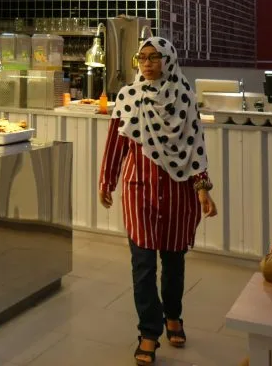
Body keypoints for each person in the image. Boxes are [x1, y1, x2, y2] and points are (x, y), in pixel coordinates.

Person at [99, 37, 218, 366]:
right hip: (140, 191)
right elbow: (115, 144)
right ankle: (148, 332)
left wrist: (202, 188)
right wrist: (107, 181)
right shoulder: (128, 97)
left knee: (174, 264)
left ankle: (173, 315)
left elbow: (195, 147)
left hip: (179, 194)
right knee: (143, 266)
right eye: (142, 57)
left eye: (155, 57)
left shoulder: (184, 97)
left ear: (168, 60)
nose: (148, 63)